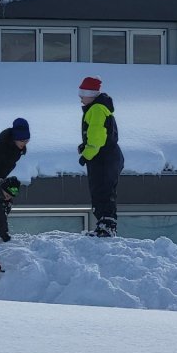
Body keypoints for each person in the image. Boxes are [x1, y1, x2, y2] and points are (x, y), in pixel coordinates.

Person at [77, 76, 124, 237]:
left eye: (83, 94)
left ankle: (106, 226)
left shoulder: (96, 109)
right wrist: (85, 146)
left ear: (91, 94)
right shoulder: (100, 108)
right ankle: (105, 225)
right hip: (108, 156)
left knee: (102, 190)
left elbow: (97, 138)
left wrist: (87, 155)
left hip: (103, 158)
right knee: (105, 190)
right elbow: (99, 134)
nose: (80, 97)